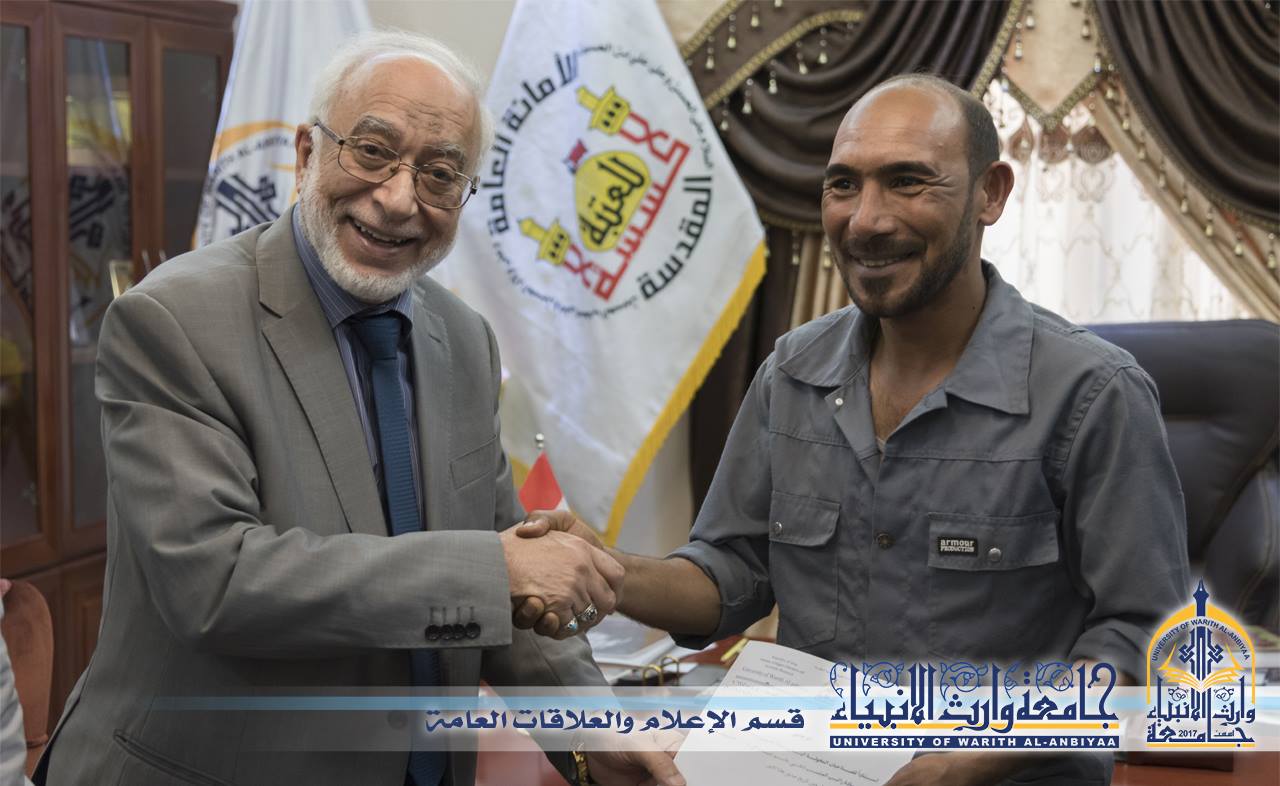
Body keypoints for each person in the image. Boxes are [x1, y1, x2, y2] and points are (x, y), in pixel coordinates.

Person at [36, 31, 682, 786]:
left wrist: (590, 729)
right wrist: (497, 569)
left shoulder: (464, 340)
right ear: (307, 154)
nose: (400, 199)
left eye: (440, 173)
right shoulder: (174, 321)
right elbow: (214, 583)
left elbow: (510, 576)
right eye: (372, 151)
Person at [517, 74, 1190, 785]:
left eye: (907, 182)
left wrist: (968, 761)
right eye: (843, 185)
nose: (866, 220)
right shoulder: (792, 372)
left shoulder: (1094, 394)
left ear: (990, 194)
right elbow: (731, 573)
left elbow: (1142, 639)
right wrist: (605, 570)